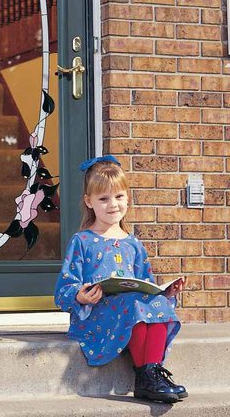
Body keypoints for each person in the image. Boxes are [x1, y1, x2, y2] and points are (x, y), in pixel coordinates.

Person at [54, 155, 187, 404]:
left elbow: (146, 286)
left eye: (118, 197)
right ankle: (148, 376)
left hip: (129, 315)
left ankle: (150, 374)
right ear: (89, 202)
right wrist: (79, 294)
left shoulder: (133, 243)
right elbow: (63, 289)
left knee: (154, 304)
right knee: (133, 303)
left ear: (127, 198)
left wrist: (166, 294)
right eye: (103, 199)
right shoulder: (81, 241)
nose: (112, 204)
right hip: (96, 318)